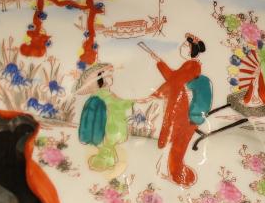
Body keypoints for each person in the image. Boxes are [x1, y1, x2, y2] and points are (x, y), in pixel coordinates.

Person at [142, 34, 212, 186]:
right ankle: (170, 171)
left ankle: (175, 174)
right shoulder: (188, 66)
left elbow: (174, 79)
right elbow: (173, 77)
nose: (182, 47)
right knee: (174, 143)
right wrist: (159, 61)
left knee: (176, 144)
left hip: (185, 111)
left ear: (191, 50)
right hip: (182, 108)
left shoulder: (192, 67)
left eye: (185, 46)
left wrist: (155, 94)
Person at [75, 62, 135, 171]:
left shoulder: (105, 94)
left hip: (111, 120)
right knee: (105, 141)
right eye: (105, 75)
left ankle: (108, 159)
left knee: (108, 143)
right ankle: (106, 159)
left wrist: (127, 102)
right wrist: (127, 103)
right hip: (105, 120)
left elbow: (118, 102)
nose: (110, 76)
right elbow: (115, 102)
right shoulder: (100, 95)